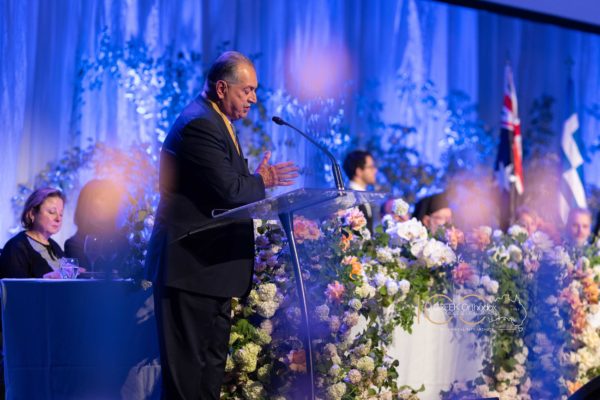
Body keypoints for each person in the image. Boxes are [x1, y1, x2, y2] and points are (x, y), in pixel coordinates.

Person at [145, 51, 298, 399]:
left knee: (209, 376)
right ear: (221, 88)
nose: (253, 99)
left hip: (210, 271)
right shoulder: (199, 124)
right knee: (187, 380)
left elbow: (226, 187)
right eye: (247, 90)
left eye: (255, 90)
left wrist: (255, 180)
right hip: (190, 269)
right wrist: (263, 180)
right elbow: (230, 191)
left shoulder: (217, 121)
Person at [64, 179, 128, 274]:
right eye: (103, 199)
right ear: (87, 204)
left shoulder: (122, 241)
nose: (109, 204)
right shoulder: (74, 245)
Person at [0, 187, 66, 279]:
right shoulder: (16, 247)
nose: (58, 219)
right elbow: (14, 287)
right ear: (32, 214)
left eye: (61, 214)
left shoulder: (55, 246)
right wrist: (45, 280)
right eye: (52, 212)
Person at [342, 150, 378, 232]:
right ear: (358, 171)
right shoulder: (350, 198)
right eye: (371, 167)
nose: (375, 170)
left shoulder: (362, 195)